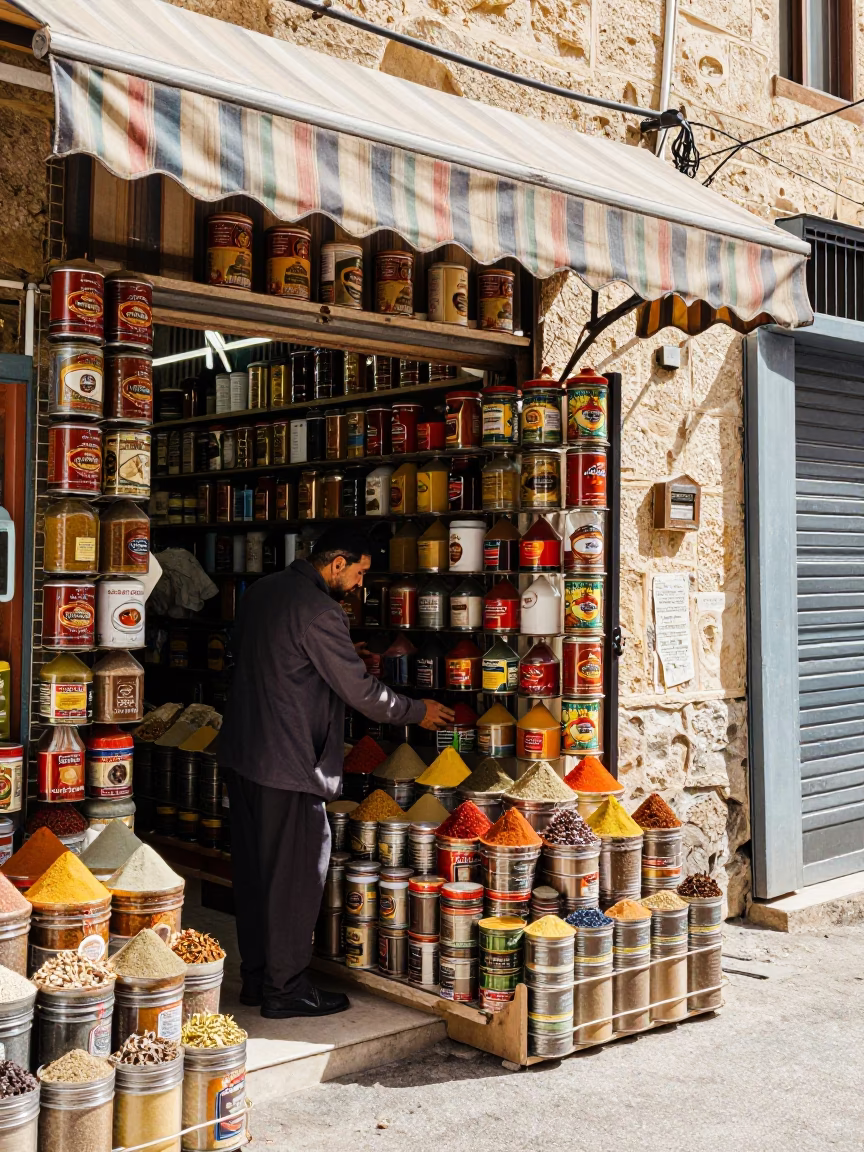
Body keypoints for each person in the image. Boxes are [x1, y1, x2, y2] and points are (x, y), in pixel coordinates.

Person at [219, 526, 454, 1019]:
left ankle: (259, 979)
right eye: (360, 573)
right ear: (338, 563)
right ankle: (286, 989)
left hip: (243, 756)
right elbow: (363, 696)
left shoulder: (262, 592)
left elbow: (279, 662)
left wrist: (351, 660)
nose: (360, 585)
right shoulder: (321, 610)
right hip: (288, 763)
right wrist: (416, 711)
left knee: (256, 875)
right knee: (296, 877)